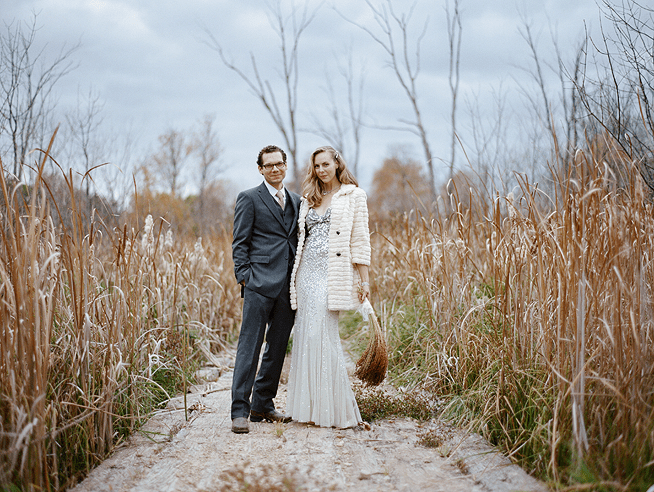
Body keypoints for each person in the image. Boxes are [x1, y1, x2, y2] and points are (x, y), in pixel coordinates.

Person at [287, 146, 371, 428]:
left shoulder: (354, 196)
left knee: (324, 334)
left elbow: (360, 240)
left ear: (337, 164)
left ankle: (334, 409)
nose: (321, 170)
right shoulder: (309, 199)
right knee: (307, 335)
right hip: (306, 273)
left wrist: (364, 280)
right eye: (317, 166)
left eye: (325, 164)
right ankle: (310, 409)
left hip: (332, 273)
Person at [230, 144, 301, 434]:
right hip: (258, 284)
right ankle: (239, 411)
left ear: (286, 165)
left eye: (279, 163)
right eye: (268, 165)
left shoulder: (296, 200)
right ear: (260, 169)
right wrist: (245, 277)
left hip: (288, 286)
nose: (274, 169)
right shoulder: (249, 198)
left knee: (278, 347)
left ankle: (262, 405)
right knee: (249, 347)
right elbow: (240, 242)